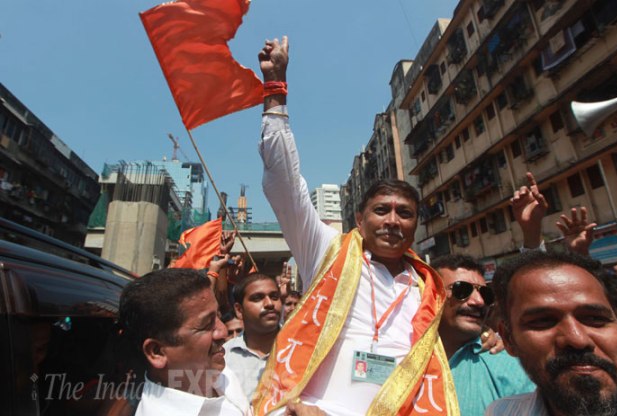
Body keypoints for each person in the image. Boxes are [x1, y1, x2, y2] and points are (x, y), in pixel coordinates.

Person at [254, 36, 457, 415]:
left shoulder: (427, 285)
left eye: (404, 213)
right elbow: (284, 183)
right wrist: (276, 91)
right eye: (382, 210)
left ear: (416, 224)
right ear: (360, 220)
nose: (393, 221)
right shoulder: (328, 251)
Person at [486, 251, 617, 416]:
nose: (577, 339)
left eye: (594, 318)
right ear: (508, 340)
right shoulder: (502, 412)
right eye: (543, 321)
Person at [118, 268, 250, 416]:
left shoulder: (218, 371)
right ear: (156, 352)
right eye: (207, 325)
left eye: (218, 315)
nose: (223, 332)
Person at [431, 255, 534, 415]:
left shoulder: (509, 366)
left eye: (485, 294)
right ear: (431, 295)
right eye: (462, 290)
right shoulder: (402, 353)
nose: (479, 301)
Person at [224, 273, 282, 401]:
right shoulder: (223, 357)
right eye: (257, 298)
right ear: (239, 310)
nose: (269, 303)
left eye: (274, 297)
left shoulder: (301, 347)